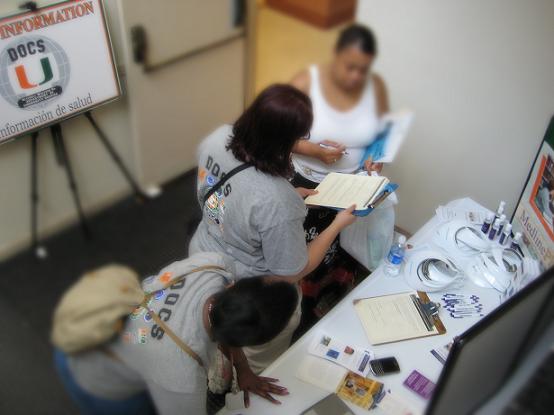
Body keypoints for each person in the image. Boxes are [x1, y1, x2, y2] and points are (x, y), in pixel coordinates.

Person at [188, 84, 357, 373]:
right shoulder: (275, 199)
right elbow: (292, 271)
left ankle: (219, 371)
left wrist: (277, 208)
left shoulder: (218, 138)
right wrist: (336, 224)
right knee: (257, 358)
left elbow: (222, 196)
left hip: (203, 257)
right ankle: (243, 386)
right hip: (250, 292)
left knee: (214, 327)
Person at [54, 252, 298, 415]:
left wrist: (243, 370)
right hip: (96, 376)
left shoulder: (213, 264)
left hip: (89, 320)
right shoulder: (181, 376)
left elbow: (227, 316)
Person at [289, 24, 391, 315]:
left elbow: (381, 131)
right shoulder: (305, 83)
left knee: (342, 241)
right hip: (307, 181)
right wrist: (314, 151)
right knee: (306, 249)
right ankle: (299, 306)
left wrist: (376, 156)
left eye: (364, 69)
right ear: (335, 56)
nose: (356, 76)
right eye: (350, 67)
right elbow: (274, 134)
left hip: (352, 183)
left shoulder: (375, 87)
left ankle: (330, 295)